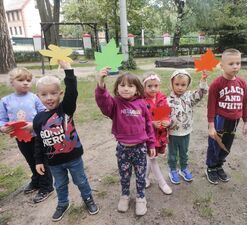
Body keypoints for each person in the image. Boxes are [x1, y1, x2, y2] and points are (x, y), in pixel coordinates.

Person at [34, 61, 99, 222]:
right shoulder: (38, 119)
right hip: (54, 162)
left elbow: (73, 92)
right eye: (44, 94)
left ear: (60, 93)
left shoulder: (65, 110)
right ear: (38, 96)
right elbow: (39, 142)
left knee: (80, 180)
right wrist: (38, 161)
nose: (49, 98)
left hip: (73, 158)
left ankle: (88, 198)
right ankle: (63, 203)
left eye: (53, 93)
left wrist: (68, 71)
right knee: (60, 185)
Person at [95, 68, 156, 216]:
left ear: (137, 89)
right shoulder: (115, 104)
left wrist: (151, 144)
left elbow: (148, 124)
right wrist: (101, 84)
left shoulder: (141, 104)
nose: (126, 89)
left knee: (141, 175)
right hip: (123, 149)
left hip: (140, 148)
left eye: (130, 86)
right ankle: (125, 196)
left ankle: (141, 198)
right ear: (117, 88)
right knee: (124, 175)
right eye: (122, 85)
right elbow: (104, 103)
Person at [0, 67, 53, 203]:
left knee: (40, 160)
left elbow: (43, 114)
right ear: (12, 82)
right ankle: (36, 180)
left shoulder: (34, 98)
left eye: (28, 80)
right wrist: (2, 127)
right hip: (21, 137)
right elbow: (2, 118)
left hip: (37, 136)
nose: (25, 83)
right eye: (21, 80)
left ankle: (46, 186)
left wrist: (33, 124)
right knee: (30, 159)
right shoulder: (5, 101)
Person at [205, 48, 247, 185]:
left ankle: (219, 165)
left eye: (238, 63)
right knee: (215, 144)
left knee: (226, 145)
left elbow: (245, 103)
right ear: (222, 65)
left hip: (234, 121)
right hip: (220, 120)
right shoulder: (216, 84)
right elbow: (211, 106)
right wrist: (211, 126)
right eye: (231, 64)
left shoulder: (242, 83)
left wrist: (246, 121)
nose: (235, 66)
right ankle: (211, 168)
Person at [167, 69, 208, 184]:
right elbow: (163, 116)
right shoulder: (167, 101)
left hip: (186, 132)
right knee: (173, 154)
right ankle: (173, 170)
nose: (180, 87)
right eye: (177, 84)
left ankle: (183, 169)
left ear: (188, 85)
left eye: (183, 85)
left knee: (184, 152)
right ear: (172, 84)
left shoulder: (190, 97)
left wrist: (203, 80)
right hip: (173, 134)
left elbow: (201, 94)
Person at [142, 72, 172, 195]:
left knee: (151, 157)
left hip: (160, 135)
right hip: (148, 136)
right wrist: (151, 123)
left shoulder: (162, 98)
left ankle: (144, 178)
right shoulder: (141, 100)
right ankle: (162, 182)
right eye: (150, 86)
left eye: (156, 85)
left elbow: (166, 114)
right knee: (152, 158)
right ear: (144, 87)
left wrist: (168, 121)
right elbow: (139, 119)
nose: (153, 89)